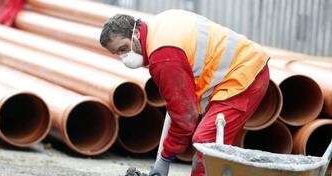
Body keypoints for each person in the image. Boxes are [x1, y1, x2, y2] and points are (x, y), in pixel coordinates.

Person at [99, 10, 270, 176]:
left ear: (135, 33)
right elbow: (179, 103)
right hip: (239, 69)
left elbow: (185, 117)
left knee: (206, 143)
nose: (124, 57)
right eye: (117, 53)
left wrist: (165, 158)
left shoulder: (163, 56)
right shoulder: (157, 27)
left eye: (123, 48)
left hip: (245, 76)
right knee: (212, 147)